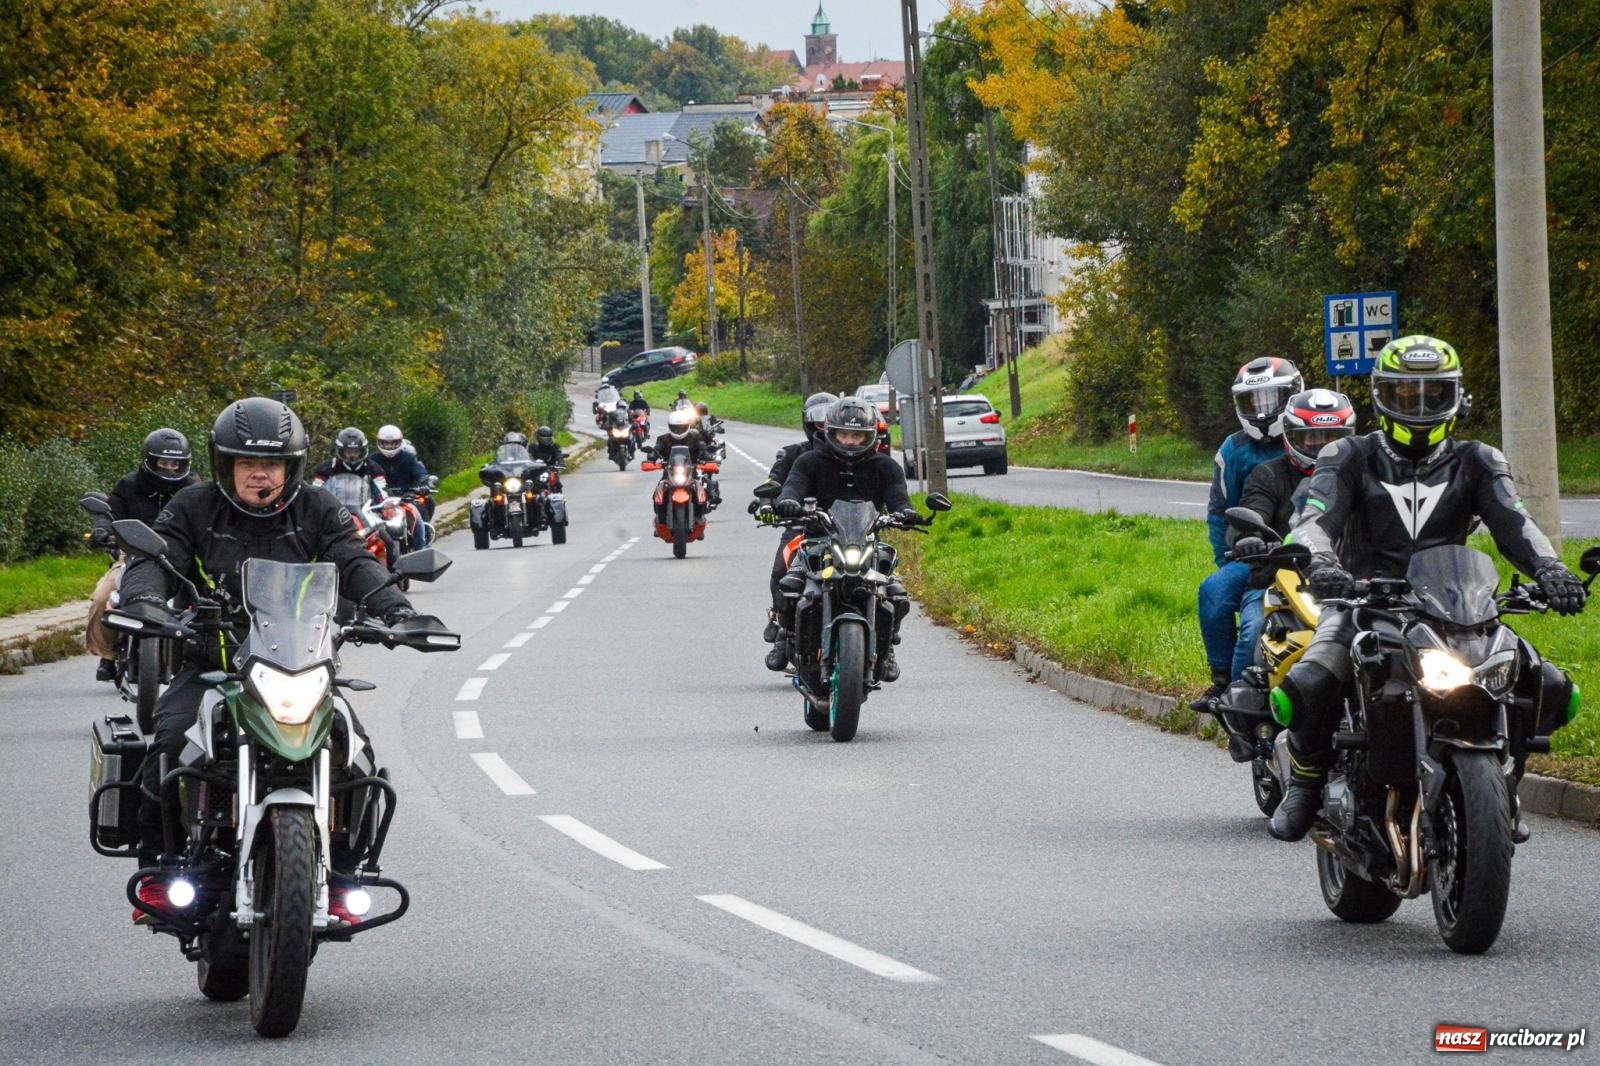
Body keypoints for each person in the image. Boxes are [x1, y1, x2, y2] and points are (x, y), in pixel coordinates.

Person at [1266, 336, 1587, 843]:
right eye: (1404, 394)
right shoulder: (1347, 455)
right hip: (1361, 602)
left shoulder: (1478, 460)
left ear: (1456, 398)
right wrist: (1321, 561)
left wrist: (1552, 570)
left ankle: (1506, 782)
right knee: (1307, 684)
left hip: (1455, 608)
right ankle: (1305, 780)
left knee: (1549, 686)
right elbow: (1313, 520)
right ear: (1380, 397)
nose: (1418, 406)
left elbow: (1516, 524)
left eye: (1432, 394)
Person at [118, 397, 417, 923]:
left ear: (292, 467)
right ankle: (162, 872)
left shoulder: (319, 509)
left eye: (272, 465)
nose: (260, 475)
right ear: (224, 465)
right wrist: (144, 599)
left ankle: (345, 877)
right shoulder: (193, 506)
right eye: (248, 464)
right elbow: (156, 556)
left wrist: (396, 609)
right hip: (214, 664)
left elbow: (352, 558)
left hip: (300, 664)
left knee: (355, 750)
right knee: (169, 741)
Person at [772, 396, 917, 681]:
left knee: (897, 595)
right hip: (818, 541)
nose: (850, 441)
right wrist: (788, 501)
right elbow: (793, 486)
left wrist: (906, 513)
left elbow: (899, 498)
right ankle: (785, 635)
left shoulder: (885, 467)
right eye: (844, 434)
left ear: (870, 435)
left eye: (857, 435)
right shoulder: (810, 461)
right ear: (831, 432)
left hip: (867, 544)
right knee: (788, 585)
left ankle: (886, 650)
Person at [1190, 356, 1303, 712]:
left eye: (1272, 400)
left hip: (1314, 550)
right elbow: (1219, 511)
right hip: (1255, 552)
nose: (1263, 411)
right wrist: (1232, 557)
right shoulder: (1233, 450)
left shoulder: (1313, 435)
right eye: (1254, 402)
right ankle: (1222, 681)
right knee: (1214, 591)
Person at [86, 429, 202, 681]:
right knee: (101, 598)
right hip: (132, 555)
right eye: (164, 463)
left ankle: (204, 652)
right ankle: (107, 655)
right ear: (149, 461)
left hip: (181, 561)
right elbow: (110, 513)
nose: (170, 469)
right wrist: (101, 530)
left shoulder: (194, 489)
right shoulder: (129, 486)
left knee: (209, 598)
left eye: (176, 464)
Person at [754, 392, 836, 655]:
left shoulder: (852, 457)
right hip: (800, 525)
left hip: (846, 530)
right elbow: (773, 481)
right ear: (809, 425)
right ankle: (783, 628)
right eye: (818, 424)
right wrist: (767, 504)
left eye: (829, 423)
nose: (824, 429)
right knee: (782, 571)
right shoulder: (792, 454)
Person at [311, 427, 388, 507]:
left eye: (356, 452)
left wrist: (386, 504)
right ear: (341, 451)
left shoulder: (374, 468)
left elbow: (382, 491)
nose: (352, 456)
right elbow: (315, 492)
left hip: (367, 512)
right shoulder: (326, 468)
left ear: (362, 451)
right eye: (348, 452)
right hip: (333, 511)